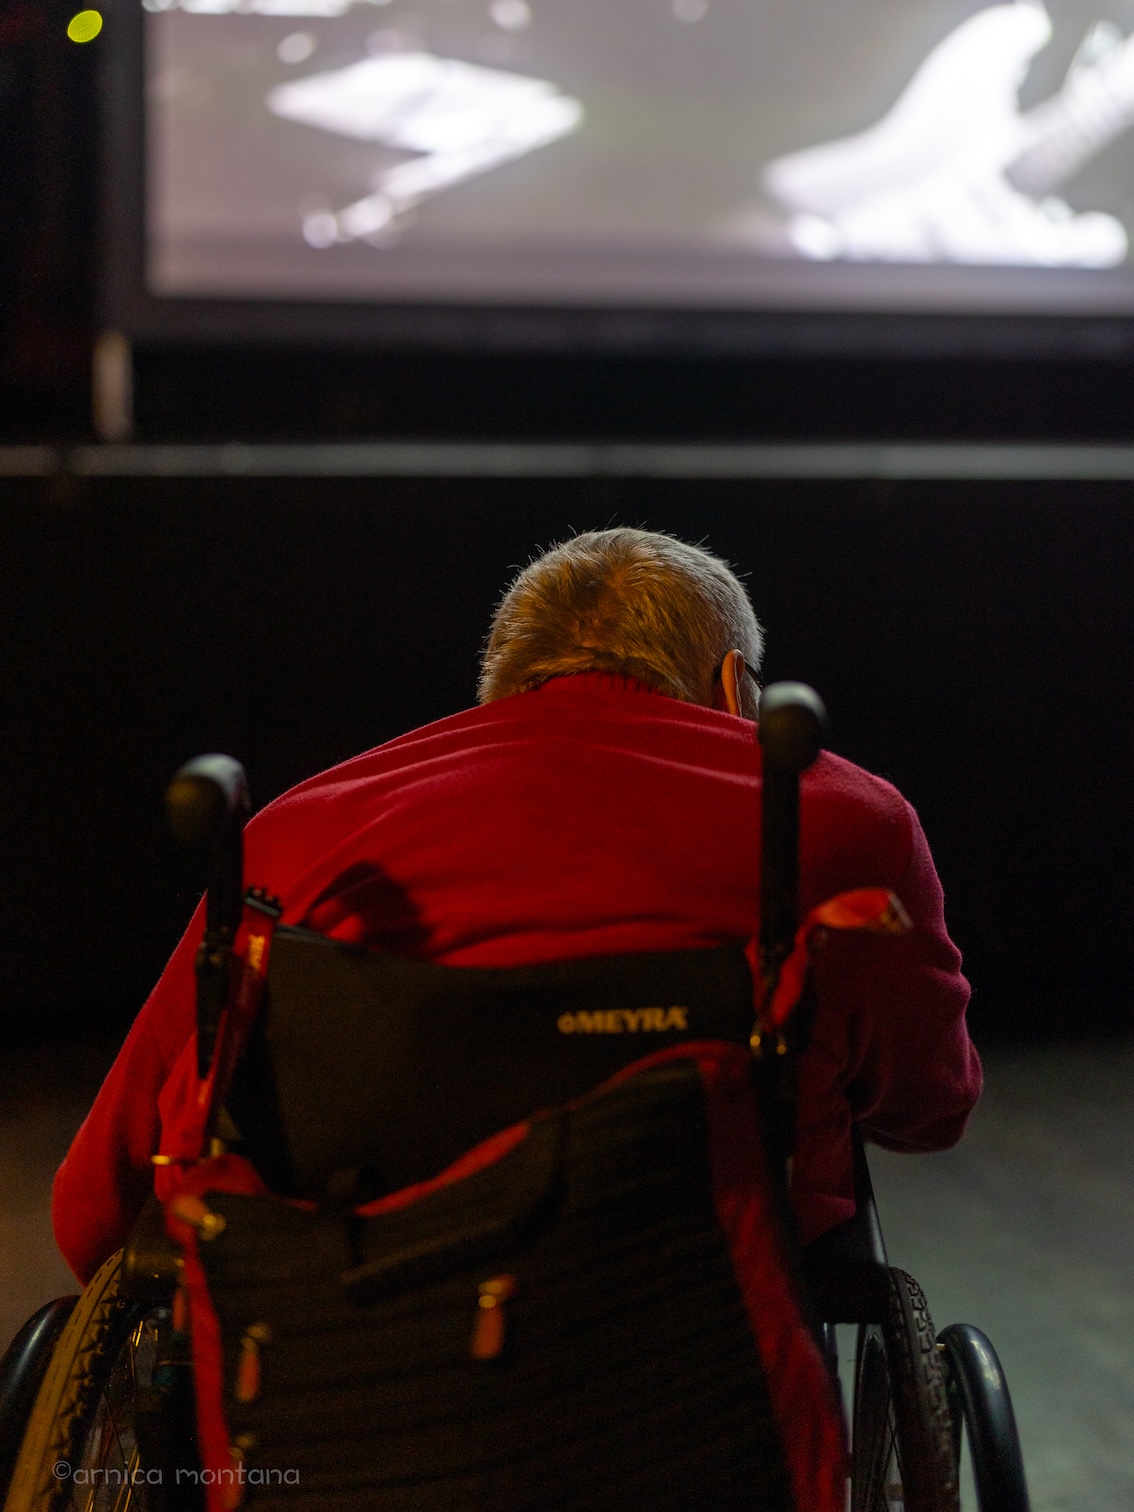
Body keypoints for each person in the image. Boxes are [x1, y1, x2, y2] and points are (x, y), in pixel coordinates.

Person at [53, 527, 981, 1285]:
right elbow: (930, 1107)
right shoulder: (845, 819)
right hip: (726, 1318)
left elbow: (97, 1201)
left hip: (356, 1325)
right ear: (737, 688)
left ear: (497, 695)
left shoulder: (296, 834)